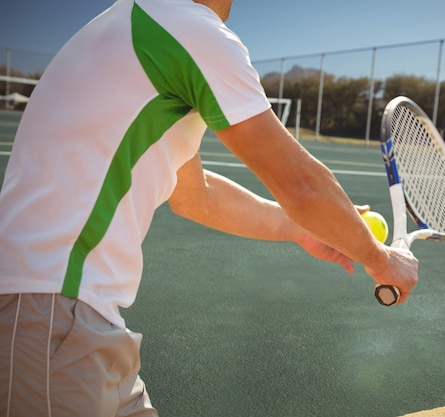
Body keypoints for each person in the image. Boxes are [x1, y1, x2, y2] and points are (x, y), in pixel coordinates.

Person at [0, 0, 419, 415]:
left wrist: (299, 229)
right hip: (50, 310)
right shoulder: (189, 30)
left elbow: (194, 194)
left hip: (61, 312)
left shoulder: (134, 26)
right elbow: (302, 185)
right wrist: (380, 260)